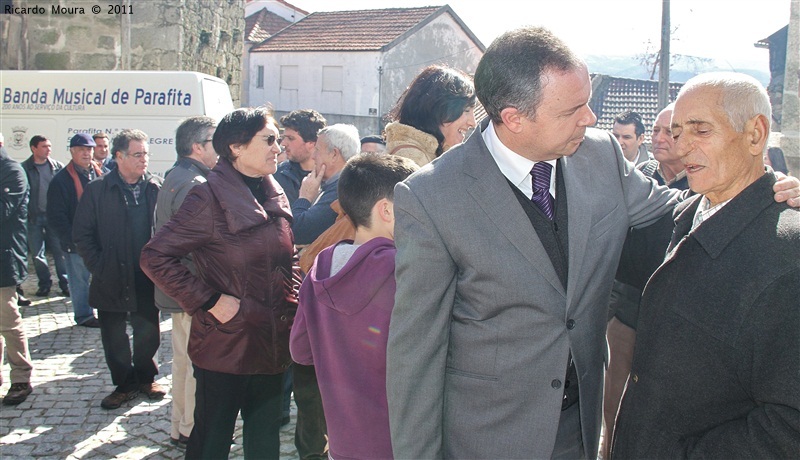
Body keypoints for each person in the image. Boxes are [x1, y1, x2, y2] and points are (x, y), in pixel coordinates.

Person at [385, 27, 800, 460]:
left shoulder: (599, 155)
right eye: (574, 109)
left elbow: (676, 212)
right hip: (486, 439)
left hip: (580, 432)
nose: (591, 119)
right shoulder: (431, 198)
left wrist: (766, 195)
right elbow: (415, 359)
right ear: (514, 118)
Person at [611, 72, 800, 458]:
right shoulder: (681, 216)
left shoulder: (788, 255)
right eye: (679, 132)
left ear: (754, 134)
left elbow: (788, 426)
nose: (682, 148)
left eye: (701, 131)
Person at [141, 107, 299, 459]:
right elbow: (155, 256)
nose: (279, 148)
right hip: (225, 347)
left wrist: (296, 297)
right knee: (211, 442)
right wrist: (209, 299)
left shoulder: (274, 192)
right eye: (269, 140)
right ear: (236, 147)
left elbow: (288, 258)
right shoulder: (207, 197)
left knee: (265, 442)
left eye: (279, 140)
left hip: (272, 343)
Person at [290, 153, 418, 460]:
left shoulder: (322, 265)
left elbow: (300, 350)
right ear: (387, 210)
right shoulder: (405, 272)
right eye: (414, 206)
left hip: (343, 439)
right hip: (401, 440)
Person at [72, 129, 166, 410]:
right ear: (119, 157)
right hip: (110, 274)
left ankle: (146, 378)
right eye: (137, 154)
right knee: (113, 334)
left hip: (145, 275)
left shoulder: (155, 187)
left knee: (148, 329)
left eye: (146, 154)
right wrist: (99, 266)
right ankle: (124, 384)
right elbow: (82, 234)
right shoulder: (98, 190)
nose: (144, 160)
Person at [152, 116, 218, 448]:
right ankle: (191, 429)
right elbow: (192, 246)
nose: (219, 150)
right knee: (192, 367)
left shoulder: (176, 176)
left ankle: (181, 426)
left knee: (182, 363)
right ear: (196, 147)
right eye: (213, 143)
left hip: (180, 293)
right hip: (192, 292)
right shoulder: (195, 184)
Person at [46, 133, 103, 328]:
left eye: (89, 149)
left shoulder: (100, 173)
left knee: (103, 277)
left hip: (101, 239)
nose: (86, 153)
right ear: (72, 151)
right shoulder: (61, 180)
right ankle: (84, 315)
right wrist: (72, 239)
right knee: (79, 281)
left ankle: (106, 310)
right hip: (76, 241)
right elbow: (56, 216)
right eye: (81, 149)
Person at [384, 65, 477, 166]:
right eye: (466, 110)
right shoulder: (412, 159)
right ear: (439, 109)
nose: (473, 123)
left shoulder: (430, 154)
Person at [0, 146, 35, 406]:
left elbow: (4, 210)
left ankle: (21, 377)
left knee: (8, 322)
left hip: (3, 260)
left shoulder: (12, 171)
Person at [292, 123, 360, 246]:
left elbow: (298, 231)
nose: (313, 157)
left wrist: (304, 197)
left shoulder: (341, 189)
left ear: (334, 154)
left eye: (317, 150)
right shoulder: (342, 184)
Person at [21, 135, 68, 297]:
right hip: (33, 217)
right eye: (44, 146)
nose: (48, 149)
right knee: (37, 253)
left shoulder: (57, 167)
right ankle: (44, 283)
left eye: (49, 146)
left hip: (53, 217)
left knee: (59, 252)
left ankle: (65, 283)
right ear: (33, 148)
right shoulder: (25, 168)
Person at [275, 109, 327, 205]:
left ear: (311, 142)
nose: (283, 144)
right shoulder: (277, 175)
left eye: (290, 138)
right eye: (283, 138)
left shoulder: (331, 177)